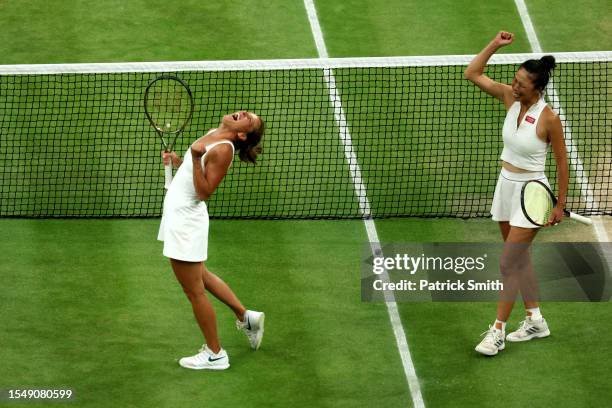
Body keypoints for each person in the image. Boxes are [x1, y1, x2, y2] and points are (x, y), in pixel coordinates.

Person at [464, 31, 569, 356]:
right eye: (515, 79)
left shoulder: (549, 118)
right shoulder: (510, 99)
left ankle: (497, 332)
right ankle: (535, 319)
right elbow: (473, 73)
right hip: (506, 187)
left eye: (522, 83)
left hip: (533, 193)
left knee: (508, 263)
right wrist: (494, 45)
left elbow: (561, 164)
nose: (515, 85)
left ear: (537, 88)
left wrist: (560, 205)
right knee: (518, 259)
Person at [158, 111, 266, 369]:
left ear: (241, 133)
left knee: (194, 291)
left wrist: (195, 159)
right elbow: (194, 171)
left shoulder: (223, 150)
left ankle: (215, 354)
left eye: (248, 119)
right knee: (201, 276)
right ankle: (245, 316)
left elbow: (205, 191)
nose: (242, 113)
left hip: (186, 221)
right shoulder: (212, 133)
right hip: (178, 213)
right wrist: (178, 160)